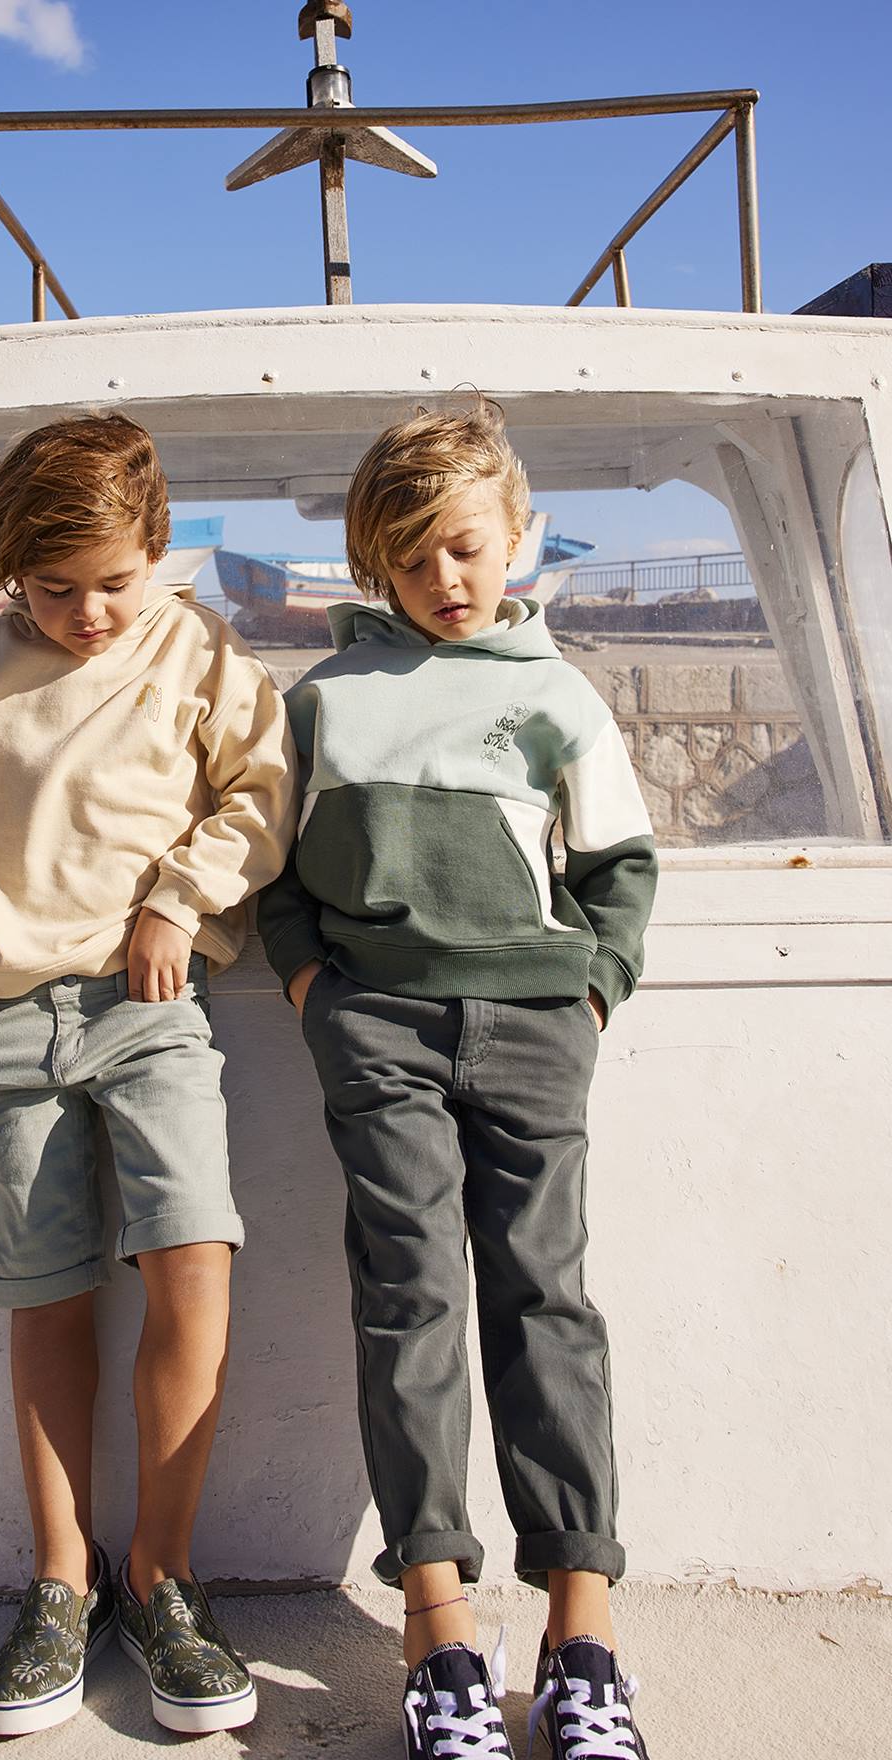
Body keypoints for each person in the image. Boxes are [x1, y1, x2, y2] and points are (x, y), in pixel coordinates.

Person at [0, 413, 296, 1739]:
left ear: (157, 551)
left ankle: (166, 1574)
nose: (87, 611)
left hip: (147, 1004)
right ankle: (66, 1578)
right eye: (53, 589)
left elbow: (260, 789)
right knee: (47, 1295)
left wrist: (181, 902)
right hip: (4, 1017)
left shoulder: (199, 651)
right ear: (11, 575)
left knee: (194, 1256)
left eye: (113, 580)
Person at [258, 404, 657, 1759]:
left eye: (468, 549)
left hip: (537, 1030)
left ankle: (582, 1633)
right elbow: (278, 880)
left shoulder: (559, 696)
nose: (447, 580)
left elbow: (620, 871)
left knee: (547, 1298)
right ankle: (439, 1631)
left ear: (518, 539)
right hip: (381, 1034)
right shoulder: (325, 702)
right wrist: (320, 992)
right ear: (378, 566)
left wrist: (592, 992)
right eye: (416, 558)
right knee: (411, 1299)